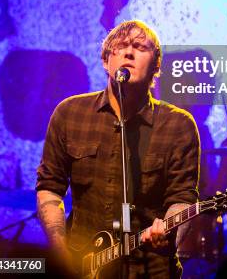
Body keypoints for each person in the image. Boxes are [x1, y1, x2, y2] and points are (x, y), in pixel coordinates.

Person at [36, 20, 200, 278]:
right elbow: (50, 187)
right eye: (120, 47)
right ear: (106, 61)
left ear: (156, 66)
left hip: (150, 269)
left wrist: (169, 235)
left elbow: (182, 198)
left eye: (139, 47)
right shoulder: (69, 113)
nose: (128, 52)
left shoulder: (177, 124)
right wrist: (59, 250)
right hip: (82, 264)